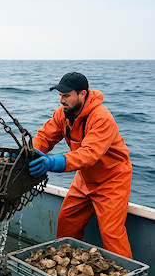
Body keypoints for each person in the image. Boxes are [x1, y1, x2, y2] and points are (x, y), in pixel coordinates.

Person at [29, 72, 132, 259]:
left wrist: (54, 162)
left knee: (111, 233)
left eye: (66, 95)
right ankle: (67, 262)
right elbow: (44, 137)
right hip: (85, 178)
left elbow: (89, 154)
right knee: (67, 221)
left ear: (82, 94)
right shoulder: (63, 114)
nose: (61, 100)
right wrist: (26, 153)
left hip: (112, 179)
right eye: (60, 95)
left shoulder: (101, 118)